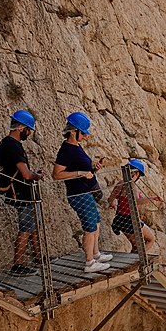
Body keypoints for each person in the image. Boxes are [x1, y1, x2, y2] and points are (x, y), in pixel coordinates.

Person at [52, 112, 112, 273]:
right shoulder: (66, 150)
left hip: (84, 192)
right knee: (89, 227)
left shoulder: (76, 147)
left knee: (96, 222)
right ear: (73, 131)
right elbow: (57, 174)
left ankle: (96, 254)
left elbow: (82, 170)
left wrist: (93, 169)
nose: (85, 136)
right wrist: (80, 173)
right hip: (78, 194)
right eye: (83, 133)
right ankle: (89, 263)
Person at [0, 110, 43, 276]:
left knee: (33, 227)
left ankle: (39, 258)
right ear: (21, 128)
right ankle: (17, 265)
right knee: (26, 228)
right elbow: (26, 175)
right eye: (28, 129)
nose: (29, 132)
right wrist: (37, 175)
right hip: (21, 193)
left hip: (20, 192)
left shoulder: (7, 144)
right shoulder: (13, 146)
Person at [108, 159, 160, 254]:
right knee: (151, 239)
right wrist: (152, 198)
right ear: (136, 174)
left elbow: (110, 199)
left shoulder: (120, 183)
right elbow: (137, 201)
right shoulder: (132, 185)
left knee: (135, 246)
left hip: (119, 219)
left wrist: (114, 205)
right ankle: (139, 260)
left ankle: (134, 260)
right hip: (130, 221)